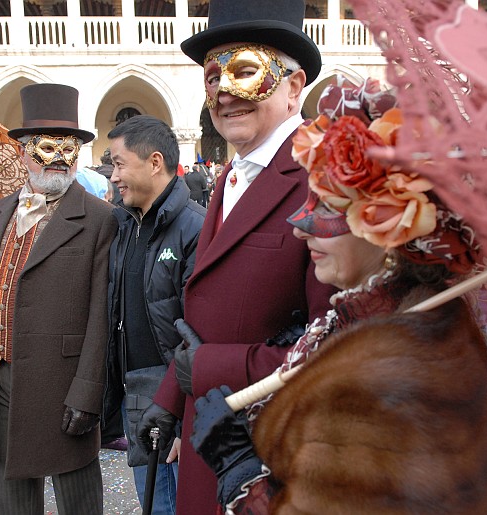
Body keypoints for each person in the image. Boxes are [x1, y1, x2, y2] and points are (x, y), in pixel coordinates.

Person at [188, 100, 487, 512]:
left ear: (388, 225)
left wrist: (239, 470)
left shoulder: (394, 369)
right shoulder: (368, 321)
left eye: (330, 207)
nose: (300, 226)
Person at [136, 1, 337, 512]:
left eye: (246, 71)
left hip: (270, 454)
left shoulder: (325, 185)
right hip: (208, 434)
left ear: (294, 88)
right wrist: (169, 398)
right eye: (211, 77)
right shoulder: (228, 177)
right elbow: (205, 313)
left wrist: (207, 368)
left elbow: (340, 349)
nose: (224, 91)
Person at [0, 83, 117, 515]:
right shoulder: (0, 211)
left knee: (78, 495)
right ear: (22, 152)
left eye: (68, 148)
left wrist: (88, 392)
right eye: (46, 147)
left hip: (61, 381)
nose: (58, 158)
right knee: (13, 491)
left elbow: (101, 316)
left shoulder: (99, 218)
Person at [105, 114, 206, 514]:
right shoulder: (125, 225)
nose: (113, 176)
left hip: (175, 407)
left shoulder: (194, 228)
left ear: (154, 162)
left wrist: (183, 418)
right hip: (138, 403)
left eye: (118, 163)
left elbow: (199, 333)